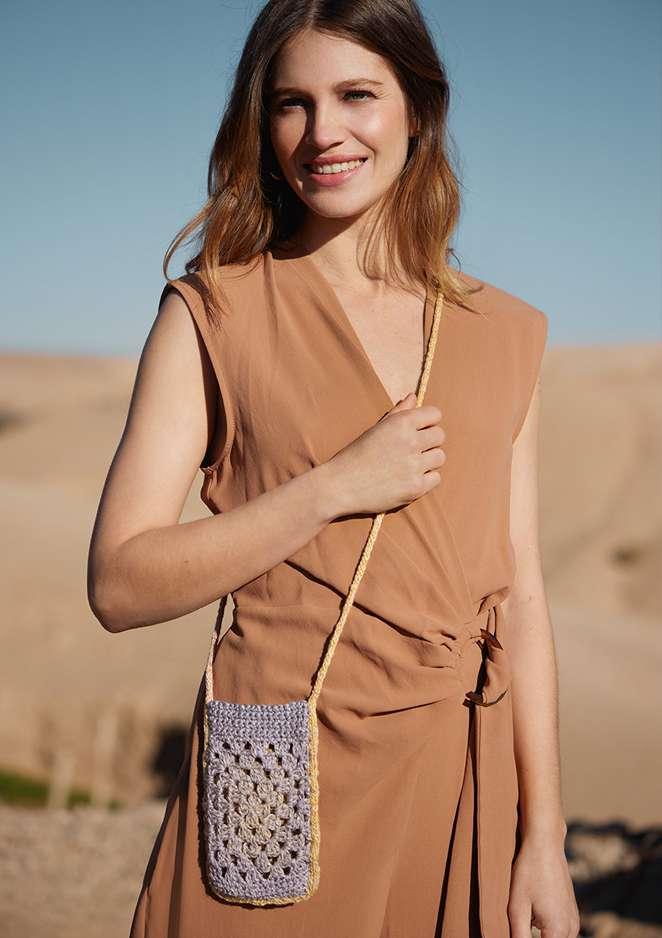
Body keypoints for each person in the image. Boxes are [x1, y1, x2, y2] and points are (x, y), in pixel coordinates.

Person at [87, 1, 581, 935]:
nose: (323, 134)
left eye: (357, 95)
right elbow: (118, 583)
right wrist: (331, 489)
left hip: (458, 784)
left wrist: (544, 837)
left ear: (417, 109)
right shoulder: (212, 312)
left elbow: (520, 596)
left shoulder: (507, 332)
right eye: (292, 103)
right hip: (280, 776)